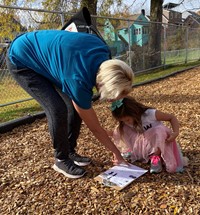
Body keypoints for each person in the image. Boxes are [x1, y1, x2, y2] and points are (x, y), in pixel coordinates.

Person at [6, 30, 134, 179]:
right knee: (57, 109)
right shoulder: (78, 80)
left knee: (74, 107)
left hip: (49, 56)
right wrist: (117, 154)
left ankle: (70, 151)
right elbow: (95, 128)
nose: (112, 100)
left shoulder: (104, 51)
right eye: (112, 96)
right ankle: (61, 159)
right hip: (22, 59)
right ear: (102, 84)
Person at [109, 96, 188, 173]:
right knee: (121, 129)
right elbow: (116, 133)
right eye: (123, 121)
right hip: (145, 140)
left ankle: (156, 157)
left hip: (160, 141)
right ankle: (134, 150)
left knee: (159, 130)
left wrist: (175, 132)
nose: (127, 122)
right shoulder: (126, 122)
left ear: (134, 112)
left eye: (127, 120)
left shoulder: (150, 114)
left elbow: (171, 117)